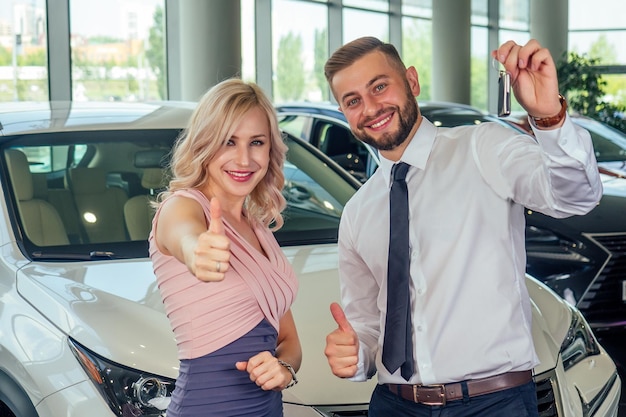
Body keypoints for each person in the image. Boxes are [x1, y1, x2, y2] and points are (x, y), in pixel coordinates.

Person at [323, 36, 602, 416]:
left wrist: (549, 117)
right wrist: (356, 355)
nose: (370, 107)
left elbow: (575, 196)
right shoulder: (357, 212)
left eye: (379, 86)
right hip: (394, 406)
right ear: (343, 112)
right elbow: (368, 326)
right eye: (352, 100)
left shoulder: (481, 147)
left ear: (412, 82)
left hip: (493, 403)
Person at [149, 78, 301, 417]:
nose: (244, 158)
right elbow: (185, 236)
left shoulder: (260, 228)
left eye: (256, 142)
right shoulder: (181, 208)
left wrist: (284, 369)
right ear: (206, 143)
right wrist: (196, 251)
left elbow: (289, 341)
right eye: (228, 142)